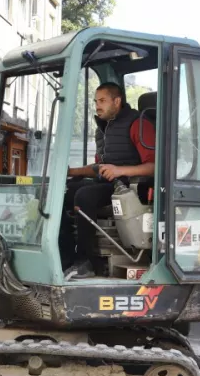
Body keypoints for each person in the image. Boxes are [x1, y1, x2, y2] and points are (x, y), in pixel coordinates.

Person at [61, 82, 155, 279]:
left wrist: (120, 170)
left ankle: (87, 261)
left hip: (131, 187)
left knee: (84, 196)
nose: (97, 106)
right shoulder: (104, 130)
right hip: (109, 184)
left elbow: (155, 165)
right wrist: (71, 171)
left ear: (117, 101)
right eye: (96, 101)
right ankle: (65, 256)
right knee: (63, 192)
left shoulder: (138, 124)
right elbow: (99, 168)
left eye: (102, 101)